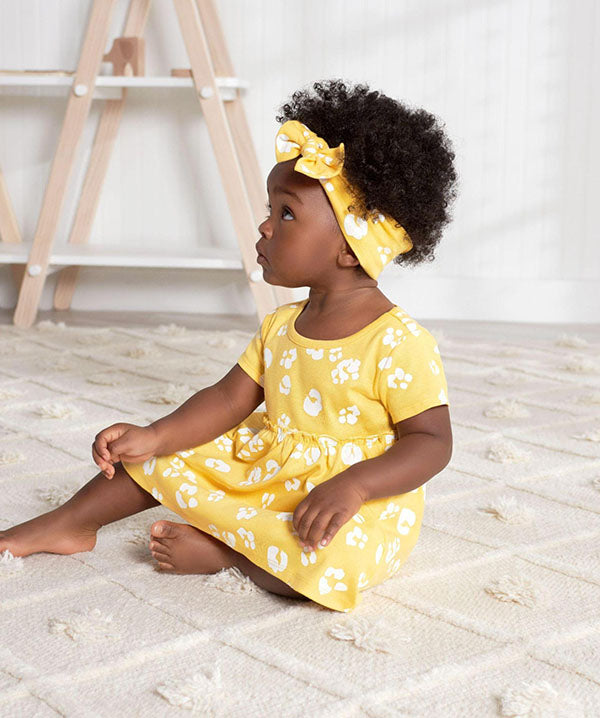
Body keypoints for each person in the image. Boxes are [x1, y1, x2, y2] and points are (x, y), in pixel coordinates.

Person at [0, 79, 458, 612]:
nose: (264, 227)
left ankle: (228, 555)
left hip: (348, 500)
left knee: (334, 563)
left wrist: (354, 486)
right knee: (166, 454)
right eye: (270, 209)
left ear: (352, 249)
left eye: (286, 214)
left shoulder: (398, 342)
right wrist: (156, 434)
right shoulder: (282, 325)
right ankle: (71, 522)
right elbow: (226, 401)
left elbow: (431, 441)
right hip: (272, 467)